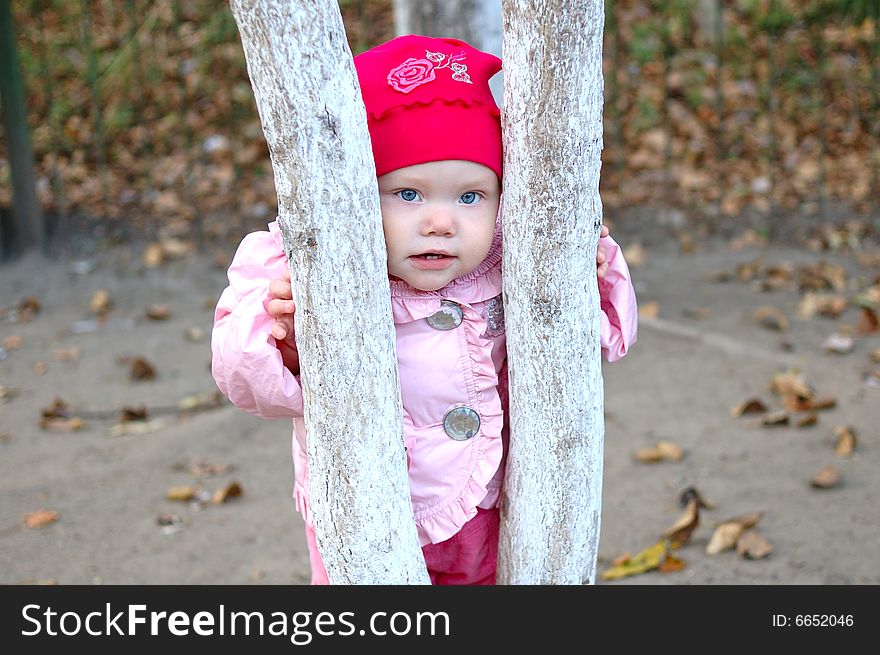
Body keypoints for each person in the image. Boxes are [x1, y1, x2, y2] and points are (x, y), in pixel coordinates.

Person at [211, 34, 638, 585]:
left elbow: (606, 340)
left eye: (470, 196)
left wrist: (590, 276)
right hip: (370, 515)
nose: (441, 221)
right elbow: (246, 382)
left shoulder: (515, 259)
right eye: (408, 194)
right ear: (360, 194)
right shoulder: (304, 265)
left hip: (494, 507)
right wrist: (287, 337)